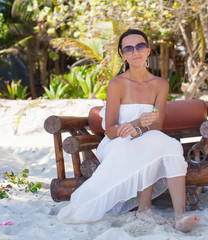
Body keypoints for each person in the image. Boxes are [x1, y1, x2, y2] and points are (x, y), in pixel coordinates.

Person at [57, 29, 200, 232]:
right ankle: (144, 208)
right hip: (117, 144)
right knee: (157, 143)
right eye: (129, 48)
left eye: (140, 46)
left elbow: (157, 126)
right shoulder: (117, 84)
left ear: (148, 50)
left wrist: (140, 129)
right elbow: (110, 131)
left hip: (148, 138)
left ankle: (180, 217)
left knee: (170, 145)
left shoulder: (160, 84)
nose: (136, 52)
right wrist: (135, 123)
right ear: (123, 54)